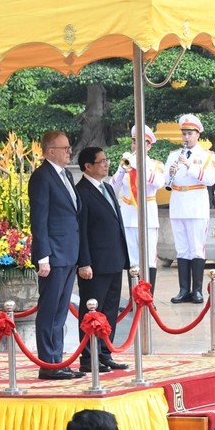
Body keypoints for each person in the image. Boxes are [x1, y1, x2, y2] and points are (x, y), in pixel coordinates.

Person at [29, 131, 85, 380]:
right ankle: (47, 364)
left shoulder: (67, 175)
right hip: (53, 255)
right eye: (65, 148)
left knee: (61, 312)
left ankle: (57, 360)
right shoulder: (42, 177)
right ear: (51, 151)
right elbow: (39, 219)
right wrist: (43, 255)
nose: (69, 151)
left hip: (69, 252)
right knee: (49, 310)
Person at [76, 147, 130, 373]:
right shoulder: (81, 191)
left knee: (109, 310)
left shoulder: (107, 187)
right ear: (88, 166)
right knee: (92, 311)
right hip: (95, 263)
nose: (106, 164)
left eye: (107, 160)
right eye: (101, 161)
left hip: (114, 259)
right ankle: (89, 357)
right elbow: (82, 230)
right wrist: (84, 262)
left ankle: (105, 353)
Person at [165, 114, 215, 304]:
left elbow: (211, 179)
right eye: (184, 134)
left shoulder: (206, 155)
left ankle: (197, 290)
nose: (186, 137)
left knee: (196, 248)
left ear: (197, 135)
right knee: (182, 249)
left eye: (189, 134)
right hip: (178, 203)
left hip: (196, 204)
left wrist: (190, 166)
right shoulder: (173, 155)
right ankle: (183, 289)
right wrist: (170, 172)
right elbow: (165, 180)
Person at [110, 125, 164, 295]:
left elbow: (158, 183)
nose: (136, 146)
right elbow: (112, 187)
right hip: (128, 216)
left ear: (149, 146)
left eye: (141, 143)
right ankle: (134, 298)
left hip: (147, 216)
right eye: (134, 142)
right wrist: (121, 169)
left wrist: (137, 165)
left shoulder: (155, 165)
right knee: (132, 259)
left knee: (148, 259)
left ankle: (148, 297)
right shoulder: (126, 164)